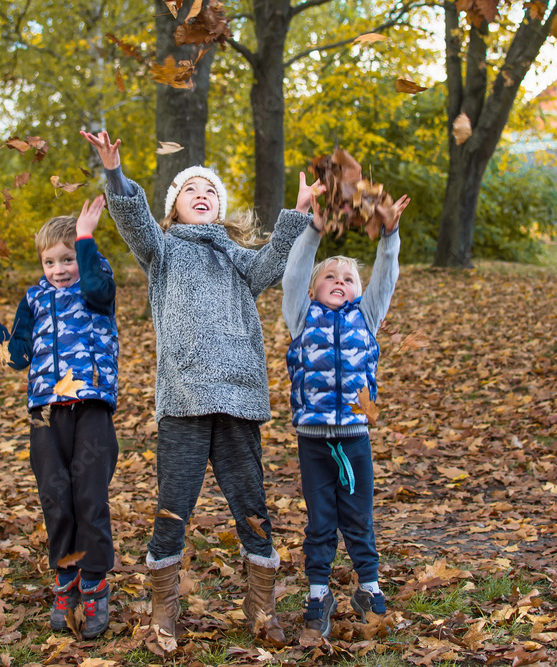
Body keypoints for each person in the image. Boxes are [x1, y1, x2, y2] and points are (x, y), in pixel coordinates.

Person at [80, 129, 322, 650]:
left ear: (220, 207)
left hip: (239, 397)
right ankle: (163, 611)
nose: (200, 194)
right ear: (173, 209)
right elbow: (133, 220)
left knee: (251, 503)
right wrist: (114, 171)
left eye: (208, 190)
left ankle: (262, 608)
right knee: (173, 505)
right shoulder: (162, 250)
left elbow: (271, 263)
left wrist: (297, 214)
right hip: (184, 400)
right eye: (189, 189)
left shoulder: (238, 256)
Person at [0, 196, 119, 640]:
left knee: (89, 496)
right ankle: (66, 581)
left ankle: (95, 582)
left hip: (92, 406)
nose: (59, 269)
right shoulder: (34, 299)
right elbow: (16, 357)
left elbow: (99, 287)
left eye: (67, 259)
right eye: (50, 261)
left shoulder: (96, 287)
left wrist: (85, 238)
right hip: (45, 413)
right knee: (56, 497)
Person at [280, 193, 410, 638]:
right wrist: (313, 230)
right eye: (330, 277)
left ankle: (369, 585)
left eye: (349, 278)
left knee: (358, 515)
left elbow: (387, 278)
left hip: (354, 437)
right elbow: (295, 271)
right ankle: (318, 590)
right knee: (320, 519)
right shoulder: (300, 316)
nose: (340, 281)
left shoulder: (368, 316)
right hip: (314, 440)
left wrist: (389, 234)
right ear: (314, 288)